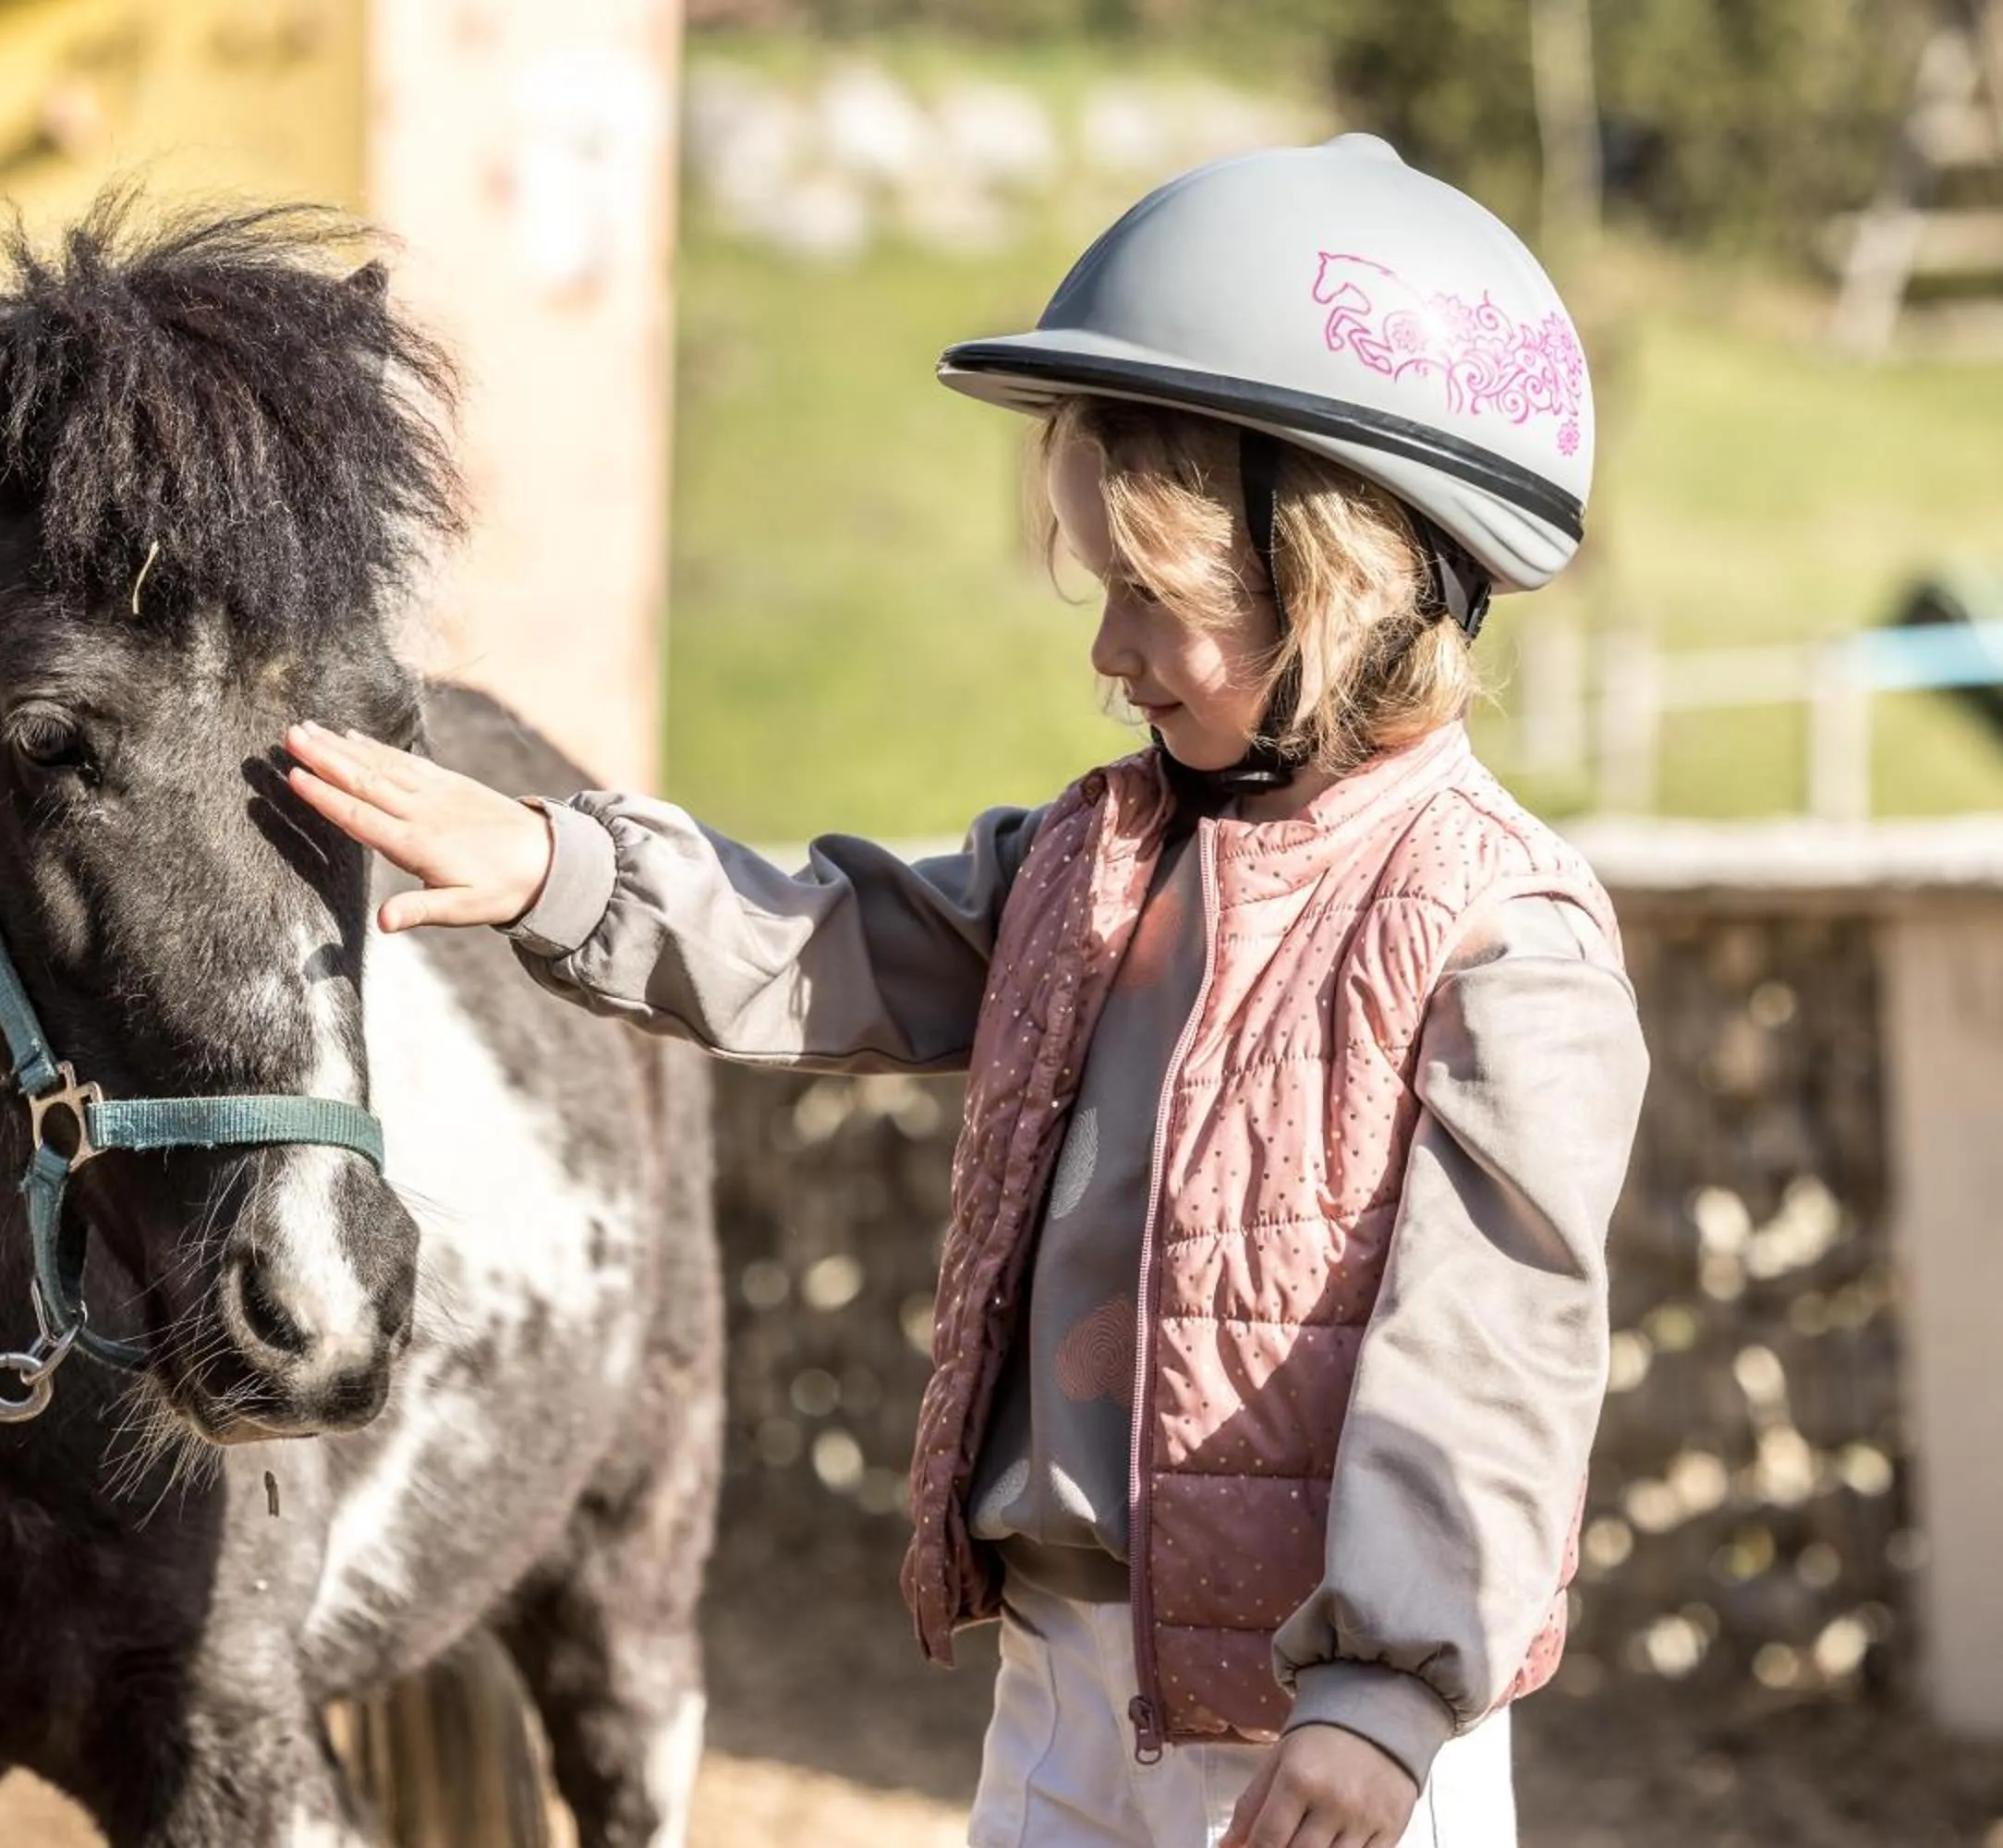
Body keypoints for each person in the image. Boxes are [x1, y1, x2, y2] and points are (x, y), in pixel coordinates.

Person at [285, 133, 1646, 1848]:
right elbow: (830, 936)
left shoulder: (1497, 937)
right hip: (1075, 1675)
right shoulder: (1095, 857)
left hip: (1334, 1724)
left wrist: (1387, 1692)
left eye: (1151, 598)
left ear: (1344, 584)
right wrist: (562, 868)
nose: (1106, 652)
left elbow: (1496, 1351)